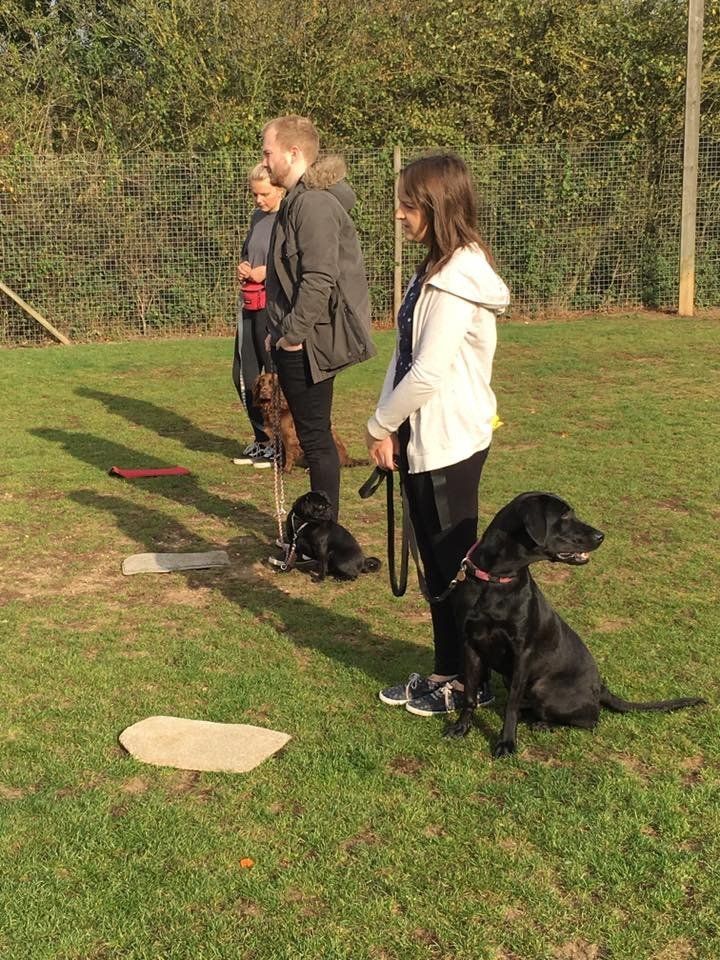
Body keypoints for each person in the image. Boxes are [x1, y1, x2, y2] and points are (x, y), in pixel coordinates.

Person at [365, 153, 510, 717]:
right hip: (423, 434)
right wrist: (386, 426)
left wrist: (383, 424)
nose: (399, 215)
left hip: (450, 439)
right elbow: (404, 355)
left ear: (435, 206)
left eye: (407, 205)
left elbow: (427, 372)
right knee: (437, 566)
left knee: (453, 569)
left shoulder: (456, 280)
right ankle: (447, 673)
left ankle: (469, 683)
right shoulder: (434, 269)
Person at [261, 114, 375, 519]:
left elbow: (319, 278)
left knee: (315, 439)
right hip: (299, 340)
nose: (265, 160)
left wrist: (291, 334)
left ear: (293, 153)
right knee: (315, 436)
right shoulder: (299, 201)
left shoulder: (311, 205)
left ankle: (323, 531)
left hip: (308, 344)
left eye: (268, 151)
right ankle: (318, 528)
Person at [232, 164, 285, 468]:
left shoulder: (288, 217)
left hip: (272, 306)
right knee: (243, 374)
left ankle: (282, 442)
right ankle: (262, 439)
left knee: (273, 375)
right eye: (254, 194)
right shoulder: (257, 217)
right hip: (249, 303)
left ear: (280, 189)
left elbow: (294, 261)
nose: (258, 200)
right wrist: (244, 266)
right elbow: (247, 252)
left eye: (263, 194)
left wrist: (269, 272)